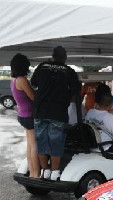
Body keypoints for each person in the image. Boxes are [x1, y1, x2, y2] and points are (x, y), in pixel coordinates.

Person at [31, 45, 80, 181]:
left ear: (52, 56)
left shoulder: (42, 66)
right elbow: (76, 90)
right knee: (56, 143)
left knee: (41, 142)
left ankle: (45, 171)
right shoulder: (69, 71)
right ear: (65, 58)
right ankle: (55, 172)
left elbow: (34, 83)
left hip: (40, 111)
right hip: (58, 112)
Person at [10, 53, 39, 179]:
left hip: (22, 115)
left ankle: (32, 172)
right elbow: (33, 97)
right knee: (34, 145)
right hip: (29, 115)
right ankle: (36, 174)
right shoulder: (22, 80)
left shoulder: (14, 80)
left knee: (29, 145)